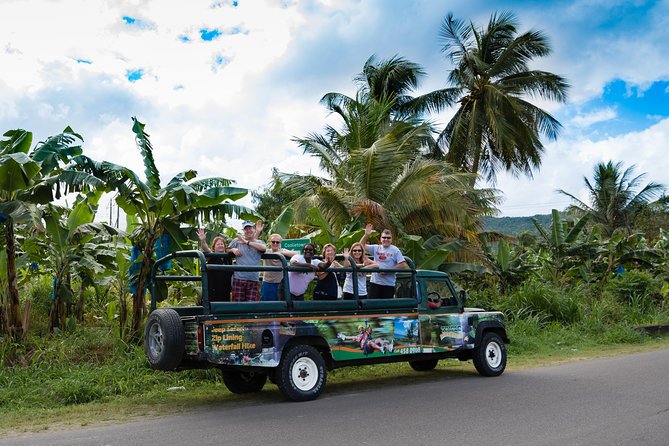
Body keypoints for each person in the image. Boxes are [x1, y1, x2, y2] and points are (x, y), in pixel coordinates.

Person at [359, 224, 408, 299]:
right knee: (371, 306)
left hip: (388, 284)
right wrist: (366, 235)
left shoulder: (395, 250)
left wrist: (387, 271)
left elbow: (403, 265)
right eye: (384, 237)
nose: (386, 239)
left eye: (388, 238)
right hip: (375, 283)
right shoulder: (376, 248)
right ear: (380, 239)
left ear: (391, 239)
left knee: (385, 307)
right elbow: (360, 246)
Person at [227, 220, 266, 302]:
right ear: (243, 231)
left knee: (251, 306)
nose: (248, 230)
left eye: (250, 228)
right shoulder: (236, 241)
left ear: (254, 230)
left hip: (253, 279)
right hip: (239, 279)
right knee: (238, 305)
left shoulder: (259, 242)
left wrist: (246, 242)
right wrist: (233, 249)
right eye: (246, 229)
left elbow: (263, 248)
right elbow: (227, 249)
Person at [197, 228, 232, 302]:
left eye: (222, 244)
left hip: (225, 289)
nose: (220, 245)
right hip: (213, 289)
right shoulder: (212, 256)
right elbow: (205, 248)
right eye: (218, 244)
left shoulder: (228, 258)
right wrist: (203, 240)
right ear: (214, 247)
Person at [260, 233, 298, 301]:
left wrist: (281, 253)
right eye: (273, 242)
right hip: (267, 282)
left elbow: (297, 253)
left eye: (277, 242)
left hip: (280, 283)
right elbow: (258, 249)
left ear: (280, 243)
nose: (275, 244)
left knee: (281, 305)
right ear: (270, 242)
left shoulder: (283, 250)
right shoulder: (266, 251)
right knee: (266, 305)